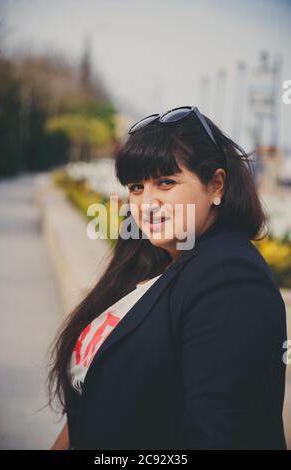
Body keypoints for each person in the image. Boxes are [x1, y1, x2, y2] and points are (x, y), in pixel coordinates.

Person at [48, 106, 287, 450]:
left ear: (216, 185)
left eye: (166, 182)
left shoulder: (231, 278)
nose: (147, 203)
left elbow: (223, 433)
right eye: (136, 187)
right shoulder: (150, 264)